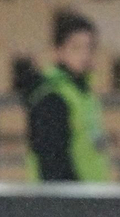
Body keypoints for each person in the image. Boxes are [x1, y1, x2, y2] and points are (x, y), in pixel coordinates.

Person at [24, 11, 109, 182]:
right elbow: (52, 159)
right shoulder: (52, 97)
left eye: (90, 47)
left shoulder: (83, 94)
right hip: (65, 200)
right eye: (76, 47)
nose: (85, 55)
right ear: (58, 51)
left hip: (86, 197)